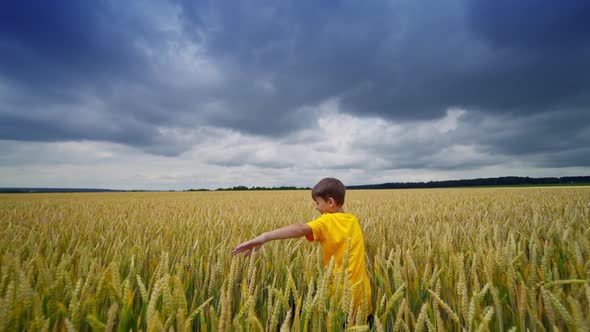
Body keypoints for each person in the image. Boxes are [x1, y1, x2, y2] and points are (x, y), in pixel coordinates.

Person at [231, 177, 372, 324]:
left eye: (318, 203)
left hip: (340, 297)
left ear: (330, 202)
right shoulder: (352, 220)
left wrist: (265, 237)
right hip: (362, 294)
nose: (316, 207)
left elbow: (300, 228)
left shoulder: (327, 220)